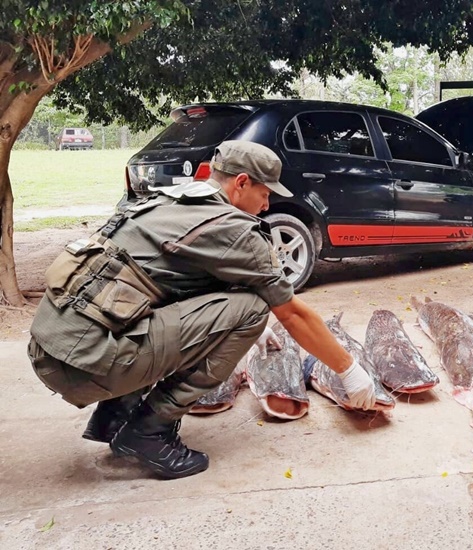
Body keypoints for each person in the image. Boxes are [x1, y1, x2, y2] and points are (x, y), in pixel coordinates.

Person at [27, 140, 377, 479]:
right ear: (241, 183)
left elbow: (173, 283)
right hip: (86, 364)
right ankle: (149, 431)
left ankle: (115, 415)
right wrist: (348, 369)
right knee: (254, 310)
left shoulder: (167, 201)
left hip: (53, 348)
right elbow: (293, 313)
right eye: (265, 193)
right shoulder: (233, 230)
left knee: (191, 303)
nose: (267, 205)